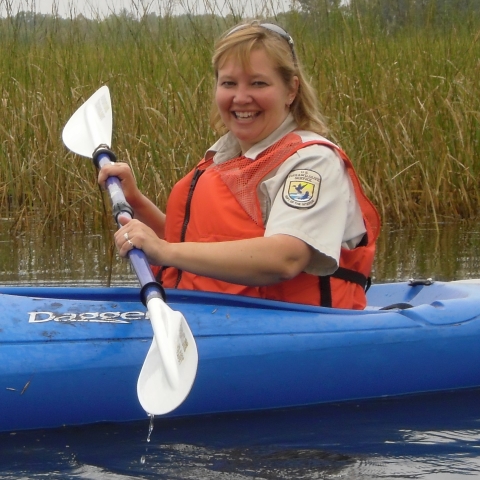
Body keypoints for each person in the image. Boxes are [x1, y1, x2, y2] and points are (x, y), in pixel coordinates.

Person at [98, 20, 381, 309]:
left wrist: (165, 250)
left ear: (291, 89)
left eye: (258, 83)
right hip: (204, 313)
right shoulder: (226, 157)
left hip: (291, 330)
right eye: (229, 83)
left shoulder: (312, 162)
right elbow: (191, 245)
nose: (241, 98)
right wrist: (137, 202)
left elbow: (286, 258)